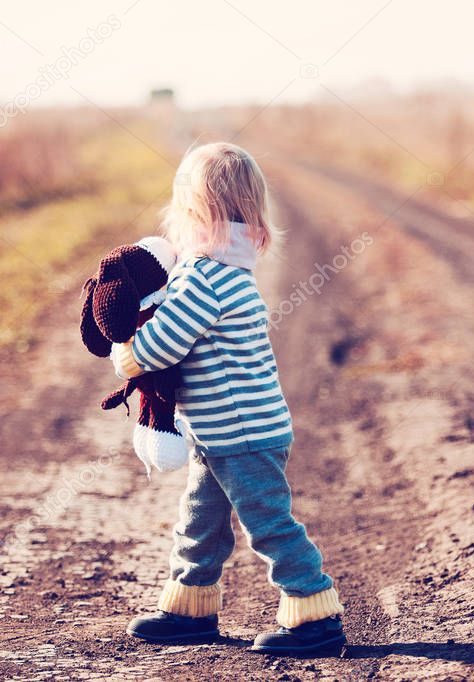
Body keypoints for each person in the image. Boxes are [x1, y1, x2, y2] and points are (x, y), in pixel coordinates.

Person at [112, 142, 345, 655]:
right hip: (224, 433)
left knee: (269, 525)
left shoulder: (204, 279)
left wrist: (127, 352)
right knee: (201, 520)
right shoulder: (229, 272)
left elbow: (162, 344)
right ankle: (189, 609)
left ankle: (315, 613)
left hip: (240, 434)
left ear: (193, 214)